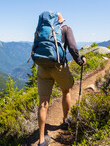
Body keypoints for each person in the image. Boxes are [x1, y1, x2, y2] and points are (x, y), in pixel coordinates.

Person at [37, 12, 87, 146]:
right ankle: (65, 121)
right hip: (59, 66)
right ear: (61, 21)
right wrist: (79, 61)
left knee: (43, 102)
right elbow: (71, 47)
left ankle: (41, 140)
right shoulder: (66, 29)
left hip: (42, 67)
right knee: (66, 91)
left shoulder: (43, 30)